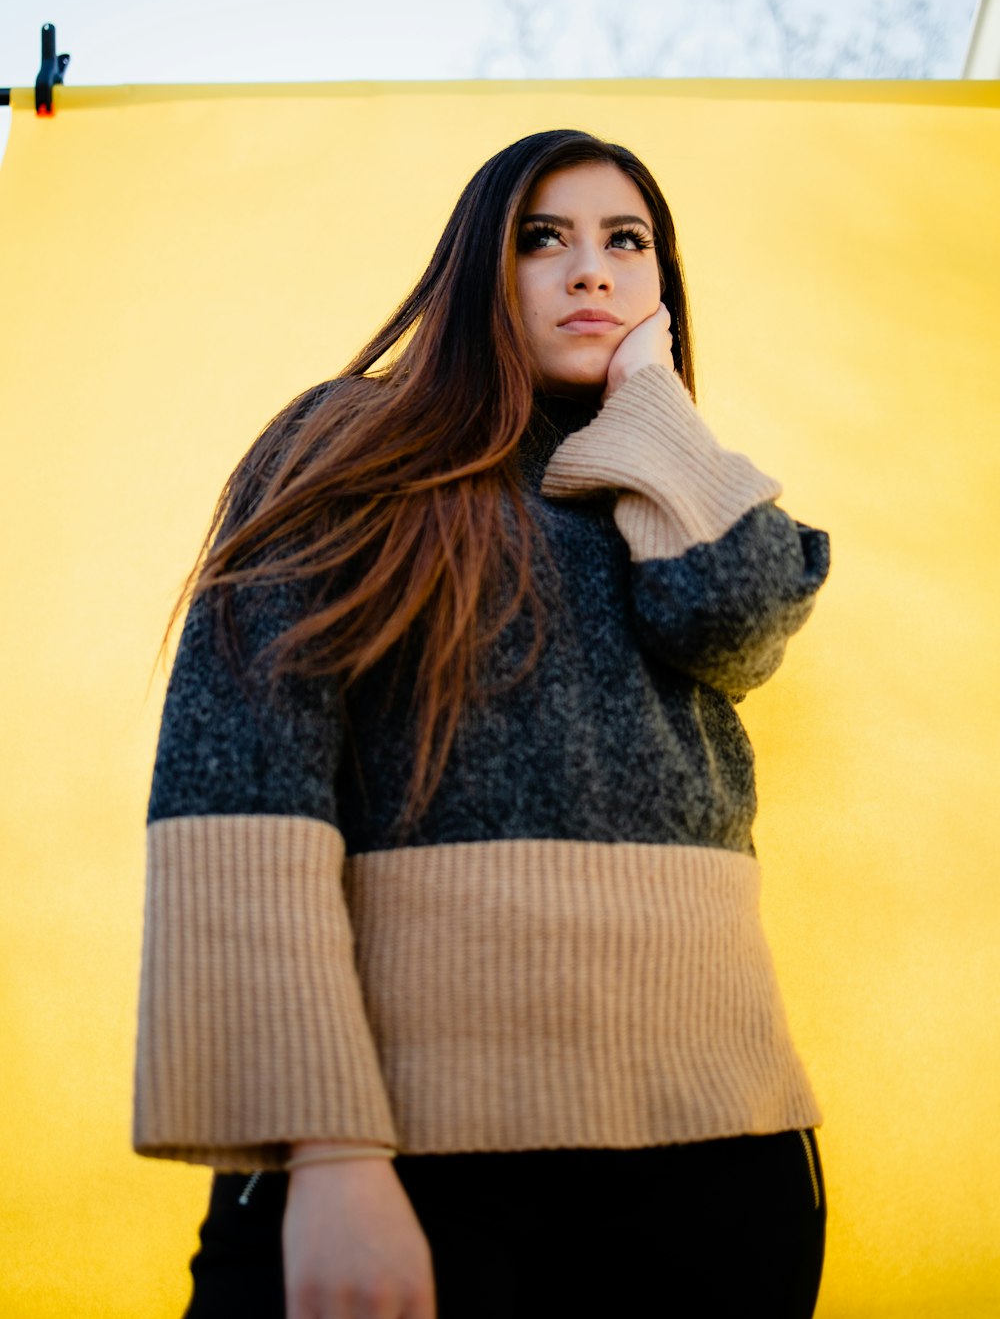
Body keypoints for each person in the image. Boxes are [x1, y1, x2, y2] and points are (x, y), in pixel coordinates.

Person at [133, 128, 831, 1318]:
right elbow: (244, 775)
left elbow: (733, 615)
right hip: (417, 1157)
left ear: (662, 286)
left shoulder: (664, 482)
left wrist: (652, 407)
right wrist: (330, 1151)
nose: (591, 271)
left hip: (723, 1151)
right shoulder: (348, 440)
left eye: (627, 242)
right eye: (540, 239)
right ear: (478, 272)